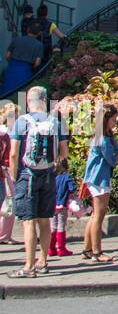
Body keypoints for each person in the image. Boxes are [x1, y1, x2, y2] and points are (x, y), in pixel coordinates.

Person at [9, 86, 69, 278]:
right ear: (44, 100)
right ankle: (43, 261)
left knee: (28, 222)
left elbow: (13, 153)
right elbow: (64, 152)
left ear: (28, 101)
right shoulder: (55, 122)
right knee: (45, 221)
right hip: (49, 174)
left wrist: (13, 176)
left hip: (27, 175)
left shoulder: (21, 122)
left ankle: (28, 265)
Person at [81, 102, 118, 264]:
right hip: (99, 179)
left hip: (98, 178)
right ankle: (97, 252)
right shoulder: (102, 139)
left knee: (95, 215)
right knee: (98, 215)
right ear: (105, 120)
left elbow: (116, 149)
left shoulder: (107, 136)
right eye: (113, 120)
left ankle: (87, 249)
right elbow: (112, 161)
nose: (115, 123)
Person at [1, 19, 45, 97]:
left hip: (12, 67)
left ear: (28, 29)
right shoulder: (39, 45)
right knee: (21, 93)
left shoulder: (17, 39)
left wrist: (12, 62)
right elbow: (37, 63)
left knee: (6, 91)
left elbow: (7, 55)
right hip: (25, 70)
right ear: (39, 33)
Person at [0, 100, 17, 245]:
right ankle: (4, 235)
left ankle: (5, 235)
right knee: (9, 202)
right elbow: (8, 156)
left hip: (6, 170)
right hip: (6, 171)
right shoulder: (5, 133)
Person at [51, 157, 75, 256]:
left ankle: (51, 248)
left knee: (52, 227)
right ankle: (61, 248)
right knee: (61, 226)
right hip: (62, 205)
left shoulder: (53, 177)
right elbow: (72, 188)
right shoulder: (67, 177)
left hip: (52, 205)